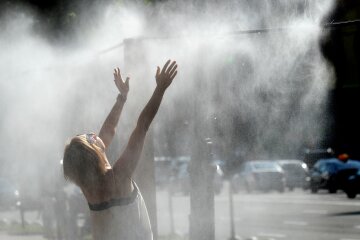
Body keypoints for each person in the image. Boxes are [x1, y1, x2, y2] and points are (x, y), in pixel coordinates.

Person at [62, 60, 178, 240]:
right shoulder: (120, 176)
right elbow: (143, 125)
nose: (94, 134)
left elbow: (107, 131)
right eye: (90, 137)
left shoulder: (88, 187)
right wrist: (160, 89)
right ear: (95, 153)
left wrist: (122, 97)